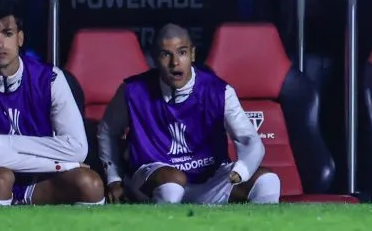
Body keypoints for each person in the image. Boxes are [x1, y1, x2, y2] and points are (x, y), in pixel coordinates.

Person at [97, 24, 280, 205]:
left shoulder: (218, 91)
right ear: (154, 58)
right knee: (172, 186)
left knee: (268, 182)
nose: (175, 63)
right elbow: (107, 131)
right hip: (153, 178)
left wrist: (242, 170)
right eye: (165, 54)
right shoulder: (133, 91)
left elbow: (250, 139)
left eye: (182, 52)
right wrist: (114, 178)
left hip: (207, 181)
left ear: (192, 54)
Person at [0, 0, 105, 206]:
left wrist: (2, 143)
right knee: (1, 178)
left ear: (20, 38)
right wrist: (64, 164)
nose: (0, 44)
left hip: (43, 182)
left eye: (8, 34)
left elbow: (78, 149)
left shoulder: (50, 78)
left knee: (90, 184)